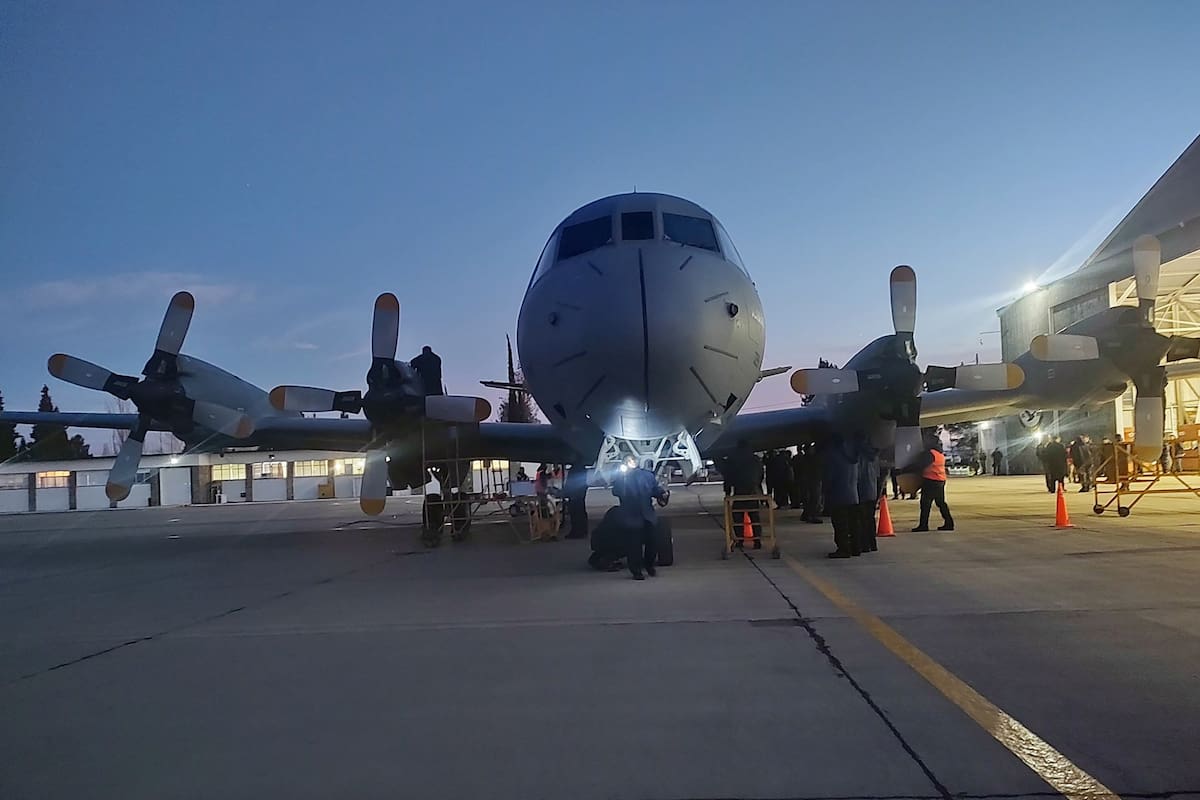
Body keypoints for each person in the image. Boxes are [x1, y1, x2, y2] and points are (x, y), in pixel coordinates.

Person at [610, 456, 668, 580]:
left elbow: (654, 489)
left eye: (632, 461)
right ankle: (636, 571)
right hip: (631, 515)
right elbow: (616, 491)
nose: (630, 463)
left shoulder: (647, 476)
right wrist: (622, 478)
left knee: (652, 543)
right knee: (634, 546)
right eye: (627, 461)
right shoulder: (621, 478)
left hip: (647, 514)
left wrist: (662, 493)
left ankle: (649, 565)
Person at [901, 435, 954, 532]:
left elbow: (919, 465)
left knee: (925, 504)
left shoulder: (929, 454)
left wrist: (903, 470)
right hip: (940, 480)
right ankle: (949, 523)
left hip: (931, 480)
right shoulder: (939, 454)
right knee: (940, 502)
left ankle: (923, 525)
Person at [822, 433, 860, 558]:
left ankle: (843, 549)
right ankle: (855, 547)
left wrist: (826, 491)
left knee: (840, 525)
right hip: (853, 495)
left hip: (838, 496)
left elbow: (829, 477)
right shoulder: (853, 457)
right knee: (853, 524)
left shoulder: (833, 456)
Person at [854, 433, 880, 553]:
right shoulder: (874, 456)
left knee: (860, 519)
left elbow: (856, 474)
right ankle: (872, 543)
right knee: (869, 518)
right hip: (872, 490)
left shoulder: (858, 455)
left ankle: (863, 544)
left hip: (861, 490)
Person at [564, 464, 590, 539]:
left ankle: (576, 531)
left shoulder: (574, 470)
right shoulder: (582, 469)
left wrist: (567, 492)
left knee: (575, 514)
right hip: (579, 494)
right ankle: (582, 531)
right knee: (580, 512)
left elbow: (570, 482)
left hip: (575, 495)